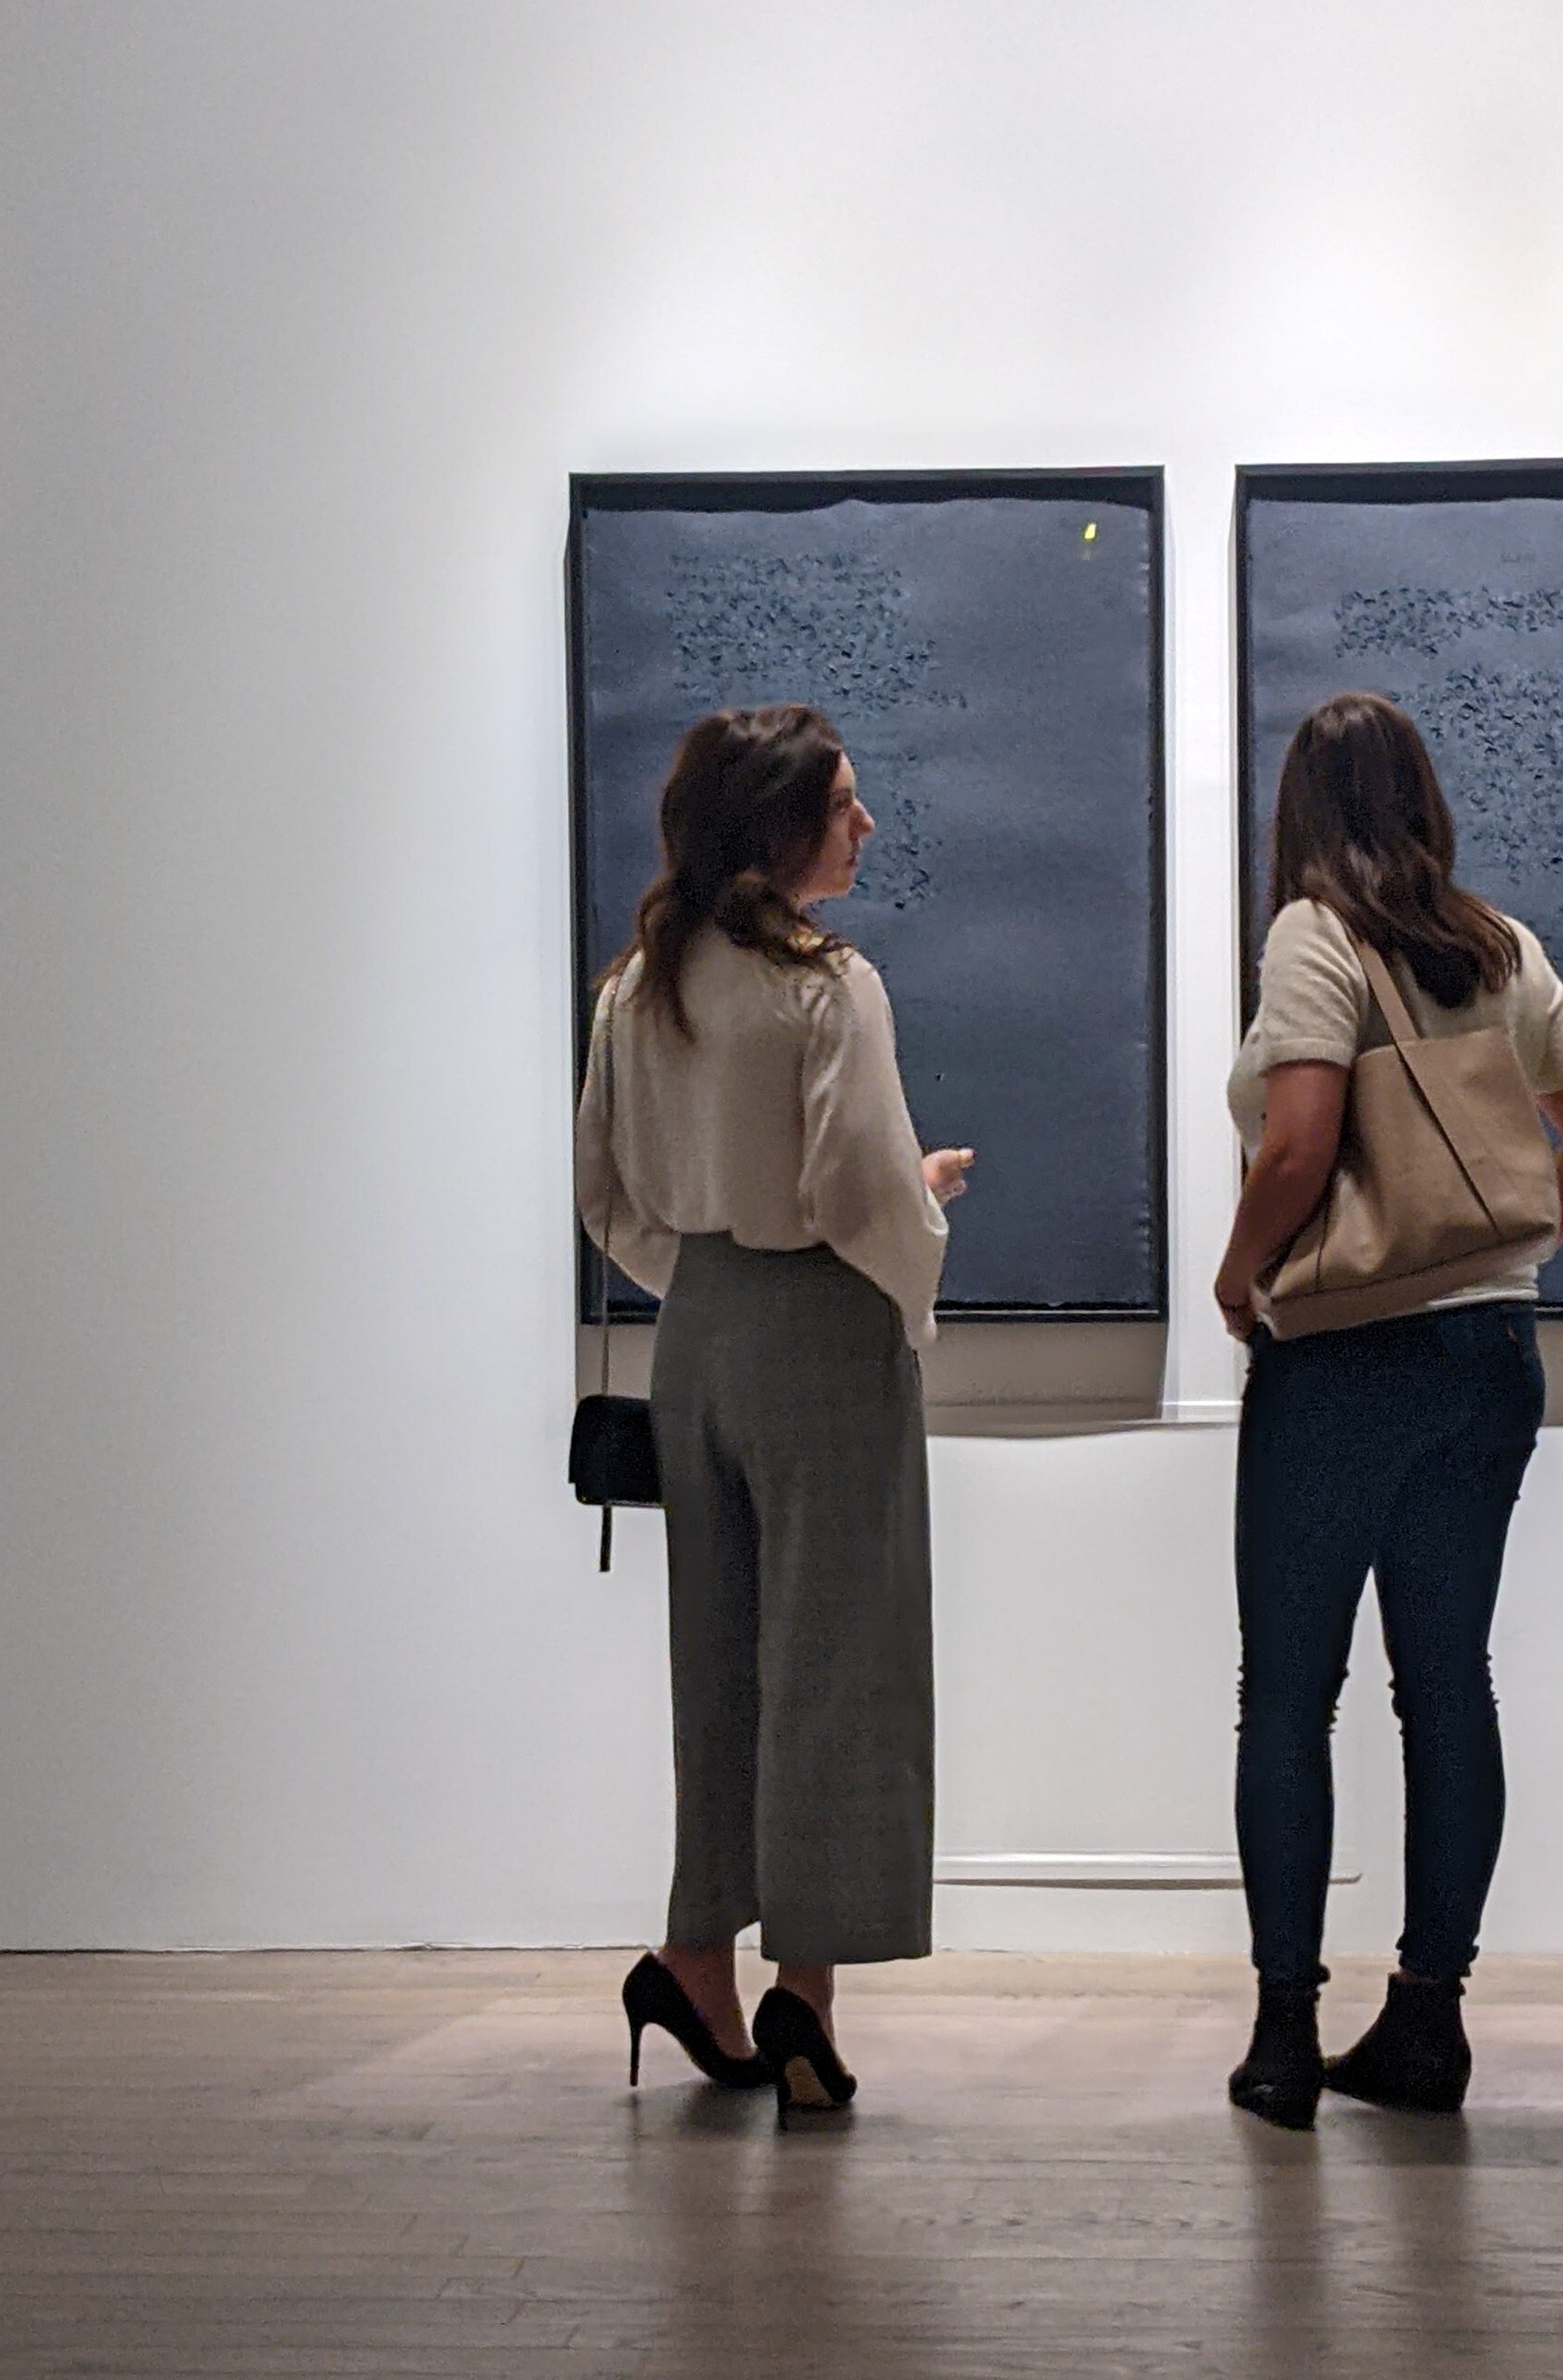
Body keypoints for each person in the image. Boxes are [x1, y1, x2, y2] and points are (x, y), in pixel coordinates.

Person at [1214, 691, 1563, 2129]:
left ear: (1299, 812)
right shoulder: (1498, 944)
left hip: (1342, 1361)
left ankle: (1284, 2034)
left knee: (1290, 1692)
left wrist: (1236, 1272)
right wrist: (1505, 1256)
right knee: (1446, 1683)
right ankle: (1429, 2023)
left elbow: (1299, 1143)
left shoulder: (1313, 936)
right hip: (1489, 1361)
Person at [575, 703, 973, 2125]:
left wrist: (711, 1272)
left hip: (703, 1336)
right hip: (822, 1328)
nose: (866, 824)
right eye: (845, 804)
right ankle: (804, 2005)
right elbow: (862, 1194)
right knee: (840, 1670)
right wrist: (920, 1215)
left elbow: (606, 1198)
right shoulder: (827, 986)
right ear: (782, 823)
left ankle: (696, 1956)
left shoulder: (641, 985)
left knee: (723, 1670)